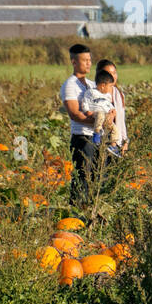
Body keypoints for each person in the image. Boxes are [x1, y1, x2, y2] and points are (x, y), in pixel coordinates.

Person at [60, 43, 99, 205]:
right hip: (82, 138)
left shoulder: (91, 84)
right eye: (84, 60)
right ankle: (75, 211)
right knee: (82, 178)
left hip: (95, 137)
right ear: (74, 62)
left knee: (95, 177)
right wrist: (97, 121)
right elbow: (74, 114)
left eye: (89, 60)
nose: (88, 63)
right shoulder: (69, 85)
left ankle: (89, 210)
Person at [81, 70, 120, 159]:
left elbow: (109, 105)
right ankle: (97, 133)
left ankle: (113, 146)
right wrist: (87, 111)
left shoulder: (107, 96)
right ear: (103, 85)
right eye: (110, 86)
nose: (111, 89)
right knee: (100, 114)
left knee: (115, 129)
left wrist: (113, 112)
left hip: (106, 117)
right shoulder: (90, 93)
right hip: (96, 113)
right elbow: (85, 103)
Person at [95, 58, 128, 155]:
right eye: (109, 73)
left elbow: (122, 121)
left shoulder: (119, 94)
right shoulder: (95, 94)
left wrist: (125, 141)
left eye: (114, 73)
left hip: (117, 143)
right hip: (101, 143)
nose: (113, 76)